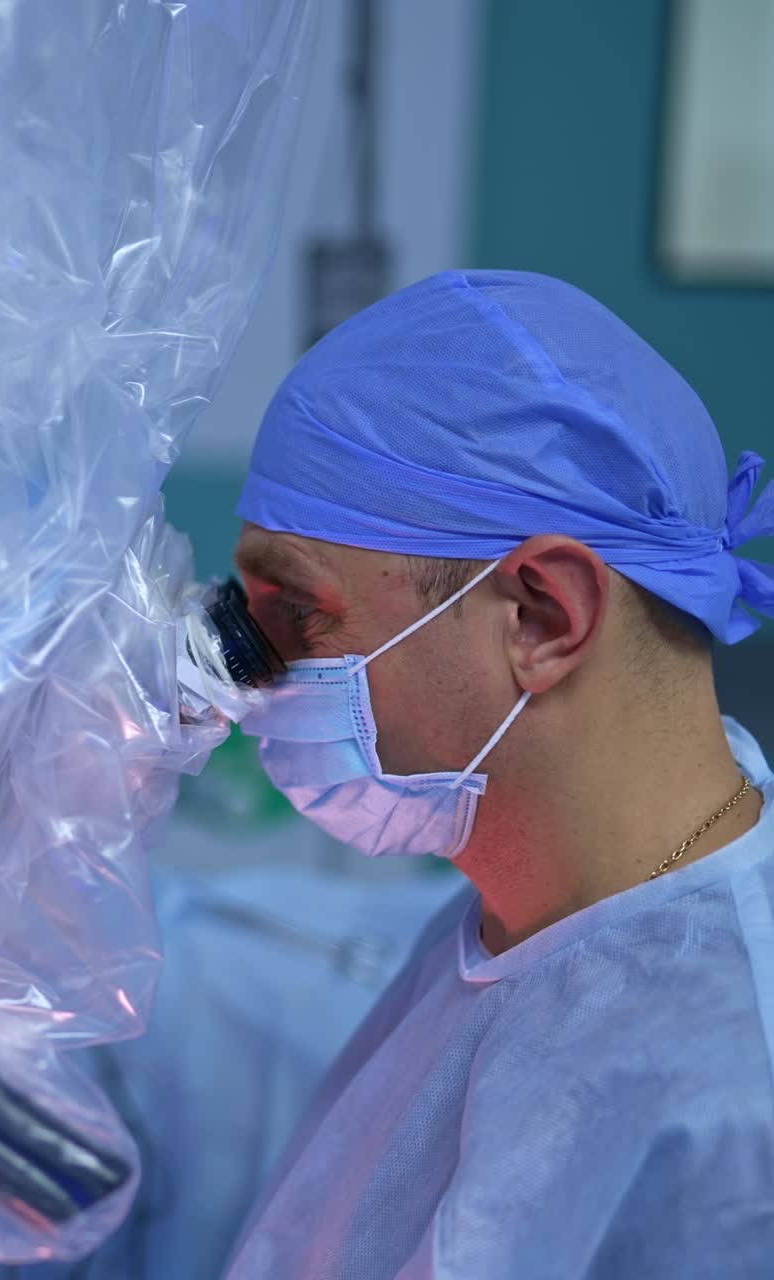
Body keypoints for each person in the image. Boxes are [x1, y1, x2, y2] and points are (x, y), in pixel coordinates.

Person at [223, 269, 774, 1278]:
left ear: (541, 617)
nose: (252, 678)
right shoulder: (522, 915)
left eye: (296, 616)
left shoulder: (735, 1118)